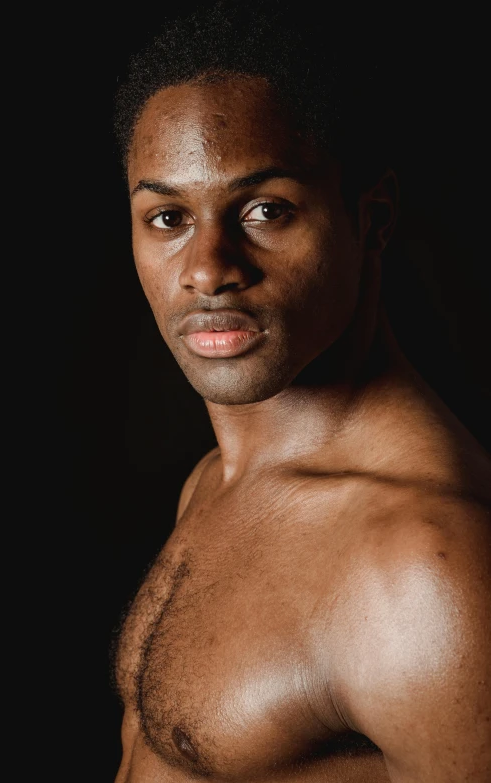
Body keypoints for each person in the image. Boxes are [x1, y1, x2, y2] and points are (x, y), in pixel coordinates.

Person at [111, 5, 491, 781]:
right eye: (168, 217)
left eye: (265, 210)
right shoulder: (214, 480)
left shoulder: (425, 570)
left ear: (372, 218)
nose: (209, 266)